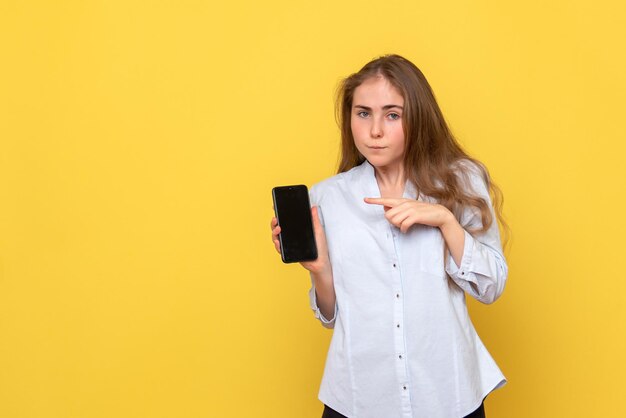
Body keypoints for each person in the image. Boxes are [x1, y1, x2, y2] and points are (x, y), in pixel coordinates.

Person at [270, 54, 508, 418]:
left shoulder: (461, 180)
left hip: (446, 394)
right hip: (359, 396)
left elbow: (491, 286)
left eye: (392, 114)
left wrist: (445, 221)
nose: (375, 130)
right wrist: (319, 270)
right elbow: (332, 316)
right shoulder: (327, 198)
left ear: (418, 117)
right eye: (363, 113)